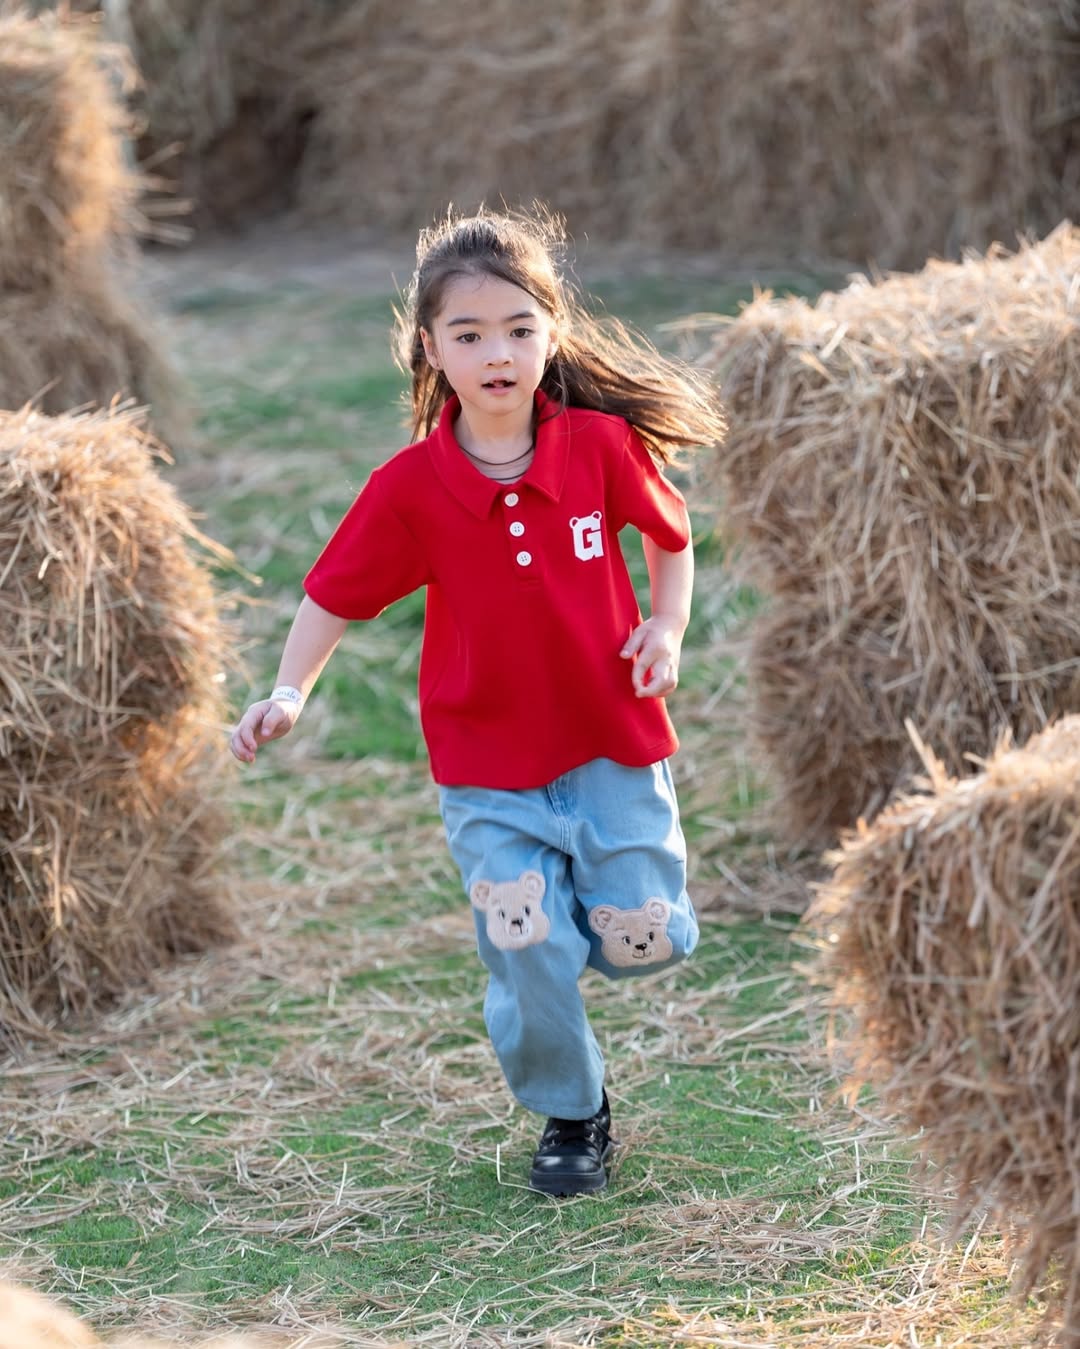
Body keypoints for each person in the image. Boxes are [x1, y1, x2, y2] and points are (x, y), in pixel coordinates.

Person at [230, 206, 728, 1197]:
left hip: (612, 743)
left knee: (646, 939)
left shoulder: (599, 446)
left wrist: (665, 628)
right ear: (430, 348)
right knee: (519, 928)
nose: (496, 353)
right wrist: (287, 690)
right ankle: (572, 1111)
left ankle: (570, 929)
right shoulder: (411, 488)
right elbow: (332, 594)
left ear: (551, 333)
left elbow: (671, 538)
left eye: (517, 329)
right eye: (468, 335)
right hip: (486, 763)